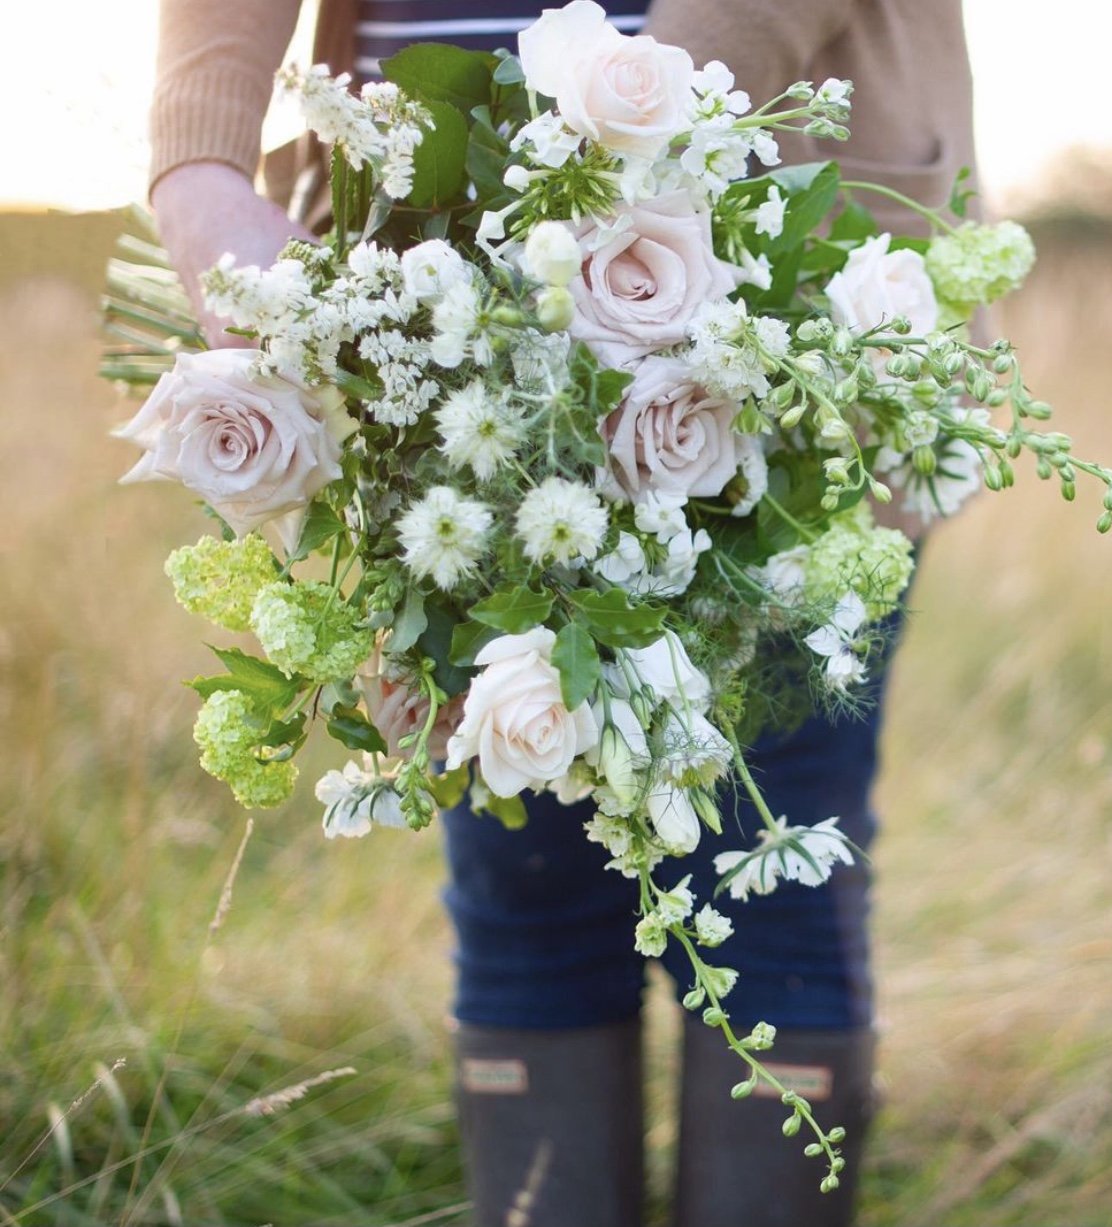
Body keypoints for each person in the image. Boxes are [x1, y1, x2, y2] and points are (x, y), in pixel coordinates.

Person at [149, 2, 979, 1224]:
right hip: (424, 332)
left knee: (775, 893)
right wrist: (201, 164)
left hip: (786, 325)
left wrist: (619, 146)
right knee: (526, 889)